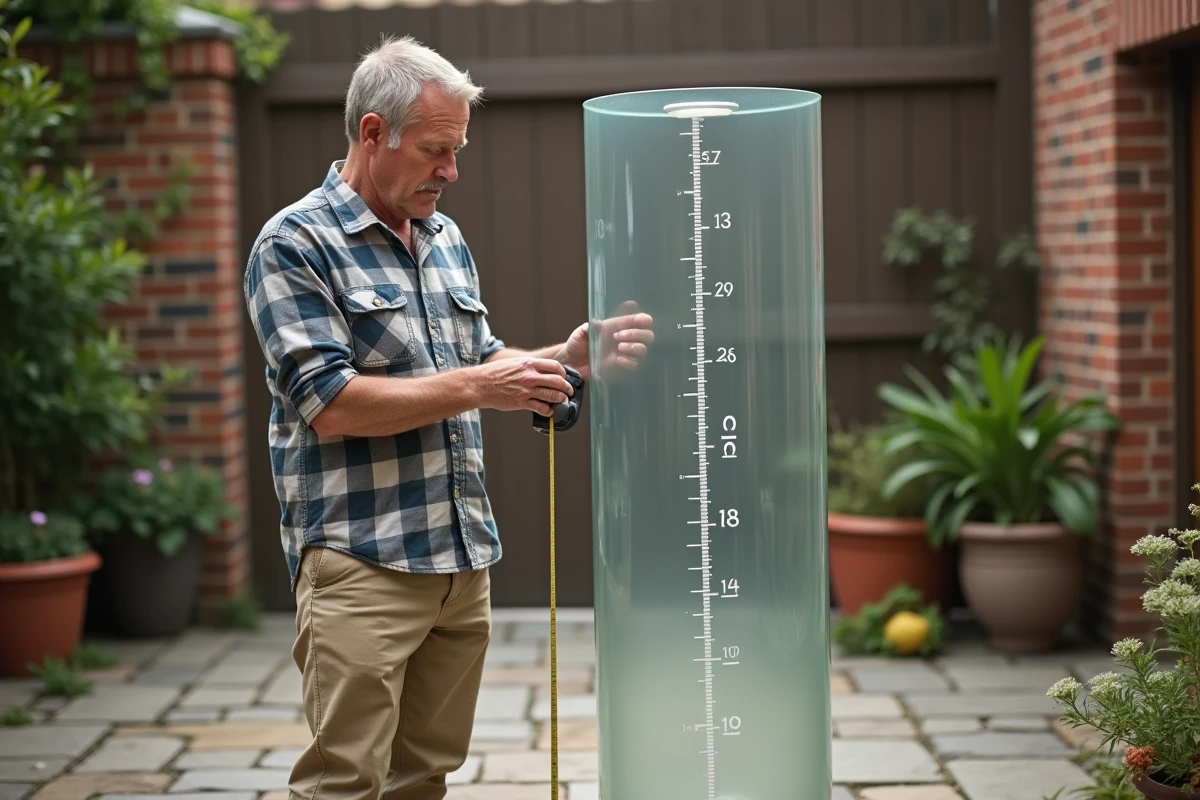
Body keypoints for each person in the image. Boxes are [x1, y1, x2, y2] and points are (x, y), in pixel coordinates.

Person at [242, 34, 652, 800]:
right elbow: (328, 404)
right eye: (436, 149)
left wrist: (564, 358)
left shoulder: (443, 239)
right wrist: (479, 385)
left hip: (460, 562)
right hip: (362, 563)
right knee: (345, 782)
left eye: (457, 149)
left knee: (422, 778)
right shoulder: (294, 244)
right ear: (373, 133)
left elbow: (478, 361)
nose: (452, 171)